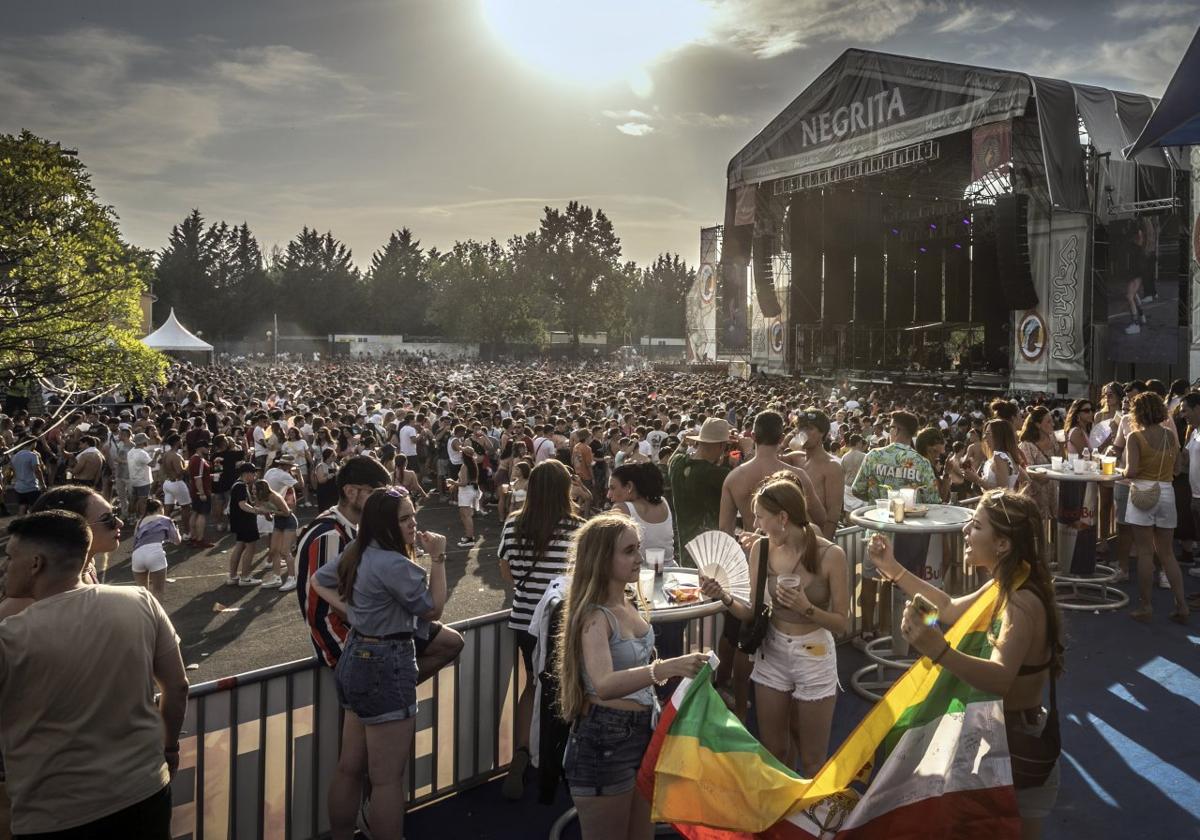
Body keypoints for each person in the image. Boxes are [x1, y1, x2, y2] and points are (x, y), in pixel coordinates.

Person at [872, 490, 1063, 838]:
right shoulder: (1008, 583)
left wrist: (939, 651)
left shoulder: (1020, 600)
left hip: (1019, 747)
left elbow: (1002, 678)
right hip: (998, 738)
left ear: (1003, 544)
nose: (965, 532)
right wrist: (893, 570)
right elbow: (948, 609)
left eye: (976, 526)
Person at [0, 510, 188, 838]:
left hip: (55, 812)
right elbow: (177, 685)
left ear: (35, 563)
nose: (4, 567)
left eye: (10, 556)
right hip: (145, 789)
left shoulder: (10, 637)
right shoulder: (139, 600)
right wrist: (170, 748)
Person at [555, 514, 707, 839]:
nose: (639, 557)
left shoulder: (627, 599)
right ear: (601, 559)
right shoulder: (594, 616)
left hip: (642, 733)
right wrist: (666, 668)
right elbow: (604, 683)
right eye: (628, 551)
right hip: (603, 742)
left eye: (638, 548)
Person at [310, 486, 448, 840]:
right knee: (387, 780)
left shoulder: (358, 550)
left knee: (349, 767)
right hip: (388, 661)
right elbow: (433, 608)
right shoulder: (395, 563)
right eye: (404, 518)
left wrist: (357, 614)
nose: (413, 524)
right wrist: (438, 559)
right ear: (386, 523)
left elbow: (319, 581)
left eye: (413, 515)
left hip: (356, 655)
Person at [700, 473, 849, 775]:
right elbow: (751, 612)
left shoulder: (831, 555)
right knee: (773, 751)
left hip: (814, 653)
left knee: (812, 759)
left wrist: (806, 608)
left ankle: (810, 819)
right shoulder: (762, 549)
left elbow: (842, 624)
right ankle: (782, 817)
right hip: (772, 651)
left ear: (782, 517)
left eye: (759, 517)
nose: (755, 525)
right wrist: (724, 597)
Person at [296, 454, 464, 677]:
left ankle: (393, 685)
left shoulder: (353, 527)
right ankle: (394, 684)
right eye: (376, 492)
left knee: (450, 642)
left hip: (365, 628)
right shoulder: (330, 535)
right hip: (344, 638)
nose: (383, 499)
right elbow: (330, 599)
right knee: (438, 649)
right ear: (350, 491)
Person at [719, 410, 828, 717]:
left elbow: (724, 531)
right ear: (782, 439)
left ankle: (741, 706)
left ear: (752, 436)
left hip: (746, 562)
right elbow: (817, 518)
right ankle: (791, 700)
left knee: (746, 635)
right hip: (787, 563)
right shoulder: (796, 476)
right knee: (782, 629)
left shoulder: (735, 477)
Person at [498, 459, 584, 800]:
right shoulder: (576, 527)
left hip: (524, 618)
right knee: (567, 688)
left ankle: (522, 752)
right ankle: (557, 755)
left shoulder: (513, 524)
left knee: (533, 685)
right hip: (562, 622)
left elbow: (507, 573)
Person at [850, 410, 940, 643]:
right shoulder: (922, 462)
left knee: (869, 581)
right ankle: (888, 631)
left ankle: (867, 631)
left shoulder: (874, 456)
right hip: (909, 535)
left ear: (896, 430)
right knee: (897, 582)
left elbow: (858, 489)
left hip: (877, 529)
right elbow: (933, 500)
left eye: (890, 427)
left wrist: (876, 492)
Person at [1124, 392, 1188, 623]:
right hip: (1166, 492)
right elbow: (1178, 468)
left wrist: (1123, 473)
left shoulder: (1135, 437)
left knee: (1144, 553)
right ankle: (1181, 604)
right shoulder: (1170, 435)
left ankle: (1146, 606)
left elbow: (1131, 471)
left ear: (1137, 413)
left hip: (1143, 492)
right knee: (1167, 553)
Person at [29, 484, 123, 587]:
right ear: (69, 529)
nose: (120, 523)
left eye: (115, 514)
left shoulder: (88, 567)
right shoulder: (49, 590)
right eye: (106, 519)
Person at [667, 418, 733, 557]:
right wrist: (749, 452)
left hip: (685, 550)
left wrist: (683, 443)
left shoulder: (677, 464)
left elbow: (671, 460)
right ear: (721, 446)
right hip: (711, 553)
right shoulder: (717, 474)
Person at [783, 409, 843, 537]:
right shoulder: (795, 458)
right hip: (789, 536)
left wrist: (823, 546)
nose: (803, 433)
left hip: (814, 536)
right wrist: (785, 442)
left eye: (809, 429)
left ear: (822, 433)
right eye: (800, 428)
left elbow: (833, 514)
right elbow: (767, 459)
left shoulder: (832, 466)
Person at [131, 498, 181, 602]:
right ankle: (156, 617)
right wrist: (177, 529)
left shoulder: (139, 522)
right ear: (159, 508)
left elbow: (134, 542)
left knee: (142, 593)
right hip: (155, 554)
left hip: (137, 555)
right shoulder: (166, 520)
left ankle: (144, 616)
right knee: (158, 591)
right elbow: (177, 541)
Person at [253, 479, 298, 590]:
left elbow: (287, 512)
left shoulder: (274, 497)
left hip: (289, 522)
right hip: (278, 523)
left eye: (254, 489)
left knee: (285, 551)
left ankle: (292, 578)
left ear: (261, 490)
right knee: (273, 550)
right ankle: (276, 578)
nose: (252, 491)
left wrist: (270, 511)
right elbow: (269, 518)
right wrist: (265, 513)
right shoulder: (260, 498)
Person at [226, 462, 265, 587]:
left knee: (240, 546)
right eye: (253, 473)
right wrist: (257, 510)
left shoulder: (237, 484)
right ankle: (245, 577)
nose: (255, 476)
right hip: (245, 521)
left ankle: (233, 576)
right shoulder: (241, 486)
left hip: (238, 521)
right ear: (247, 474)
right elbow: (242, 504)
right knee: (251, 548)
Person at [187, 440, 215, 548]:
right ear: (199, 448)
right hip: (201, 491)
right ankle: (200, 539)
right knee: (202, 514)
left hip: (195, 490)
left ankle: (193, 537)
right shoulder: (199, 460)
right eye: (206, 446)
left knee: (195, 512)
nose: (208, 448)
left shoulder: (194, 458)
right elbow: (198, 478)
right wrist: (202, 493)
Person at [9, 440, 44, 516]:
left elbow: (13, 471)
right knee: (35, 508)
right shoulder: (33, 455)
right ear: (32, 444)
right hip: (32, 487)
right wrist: (43, 484)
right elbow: (38, 470)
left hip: (19, 487)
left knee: (22, 507)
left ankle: (20, 524)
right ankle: (33, 525)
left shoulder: (15, 456)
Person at [127, 432, 155, 520]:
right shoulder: (142, 453)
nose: (147, 442)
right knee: (143, 500)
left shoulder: (131, 451)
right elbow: (152, 464)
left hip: (134, 479)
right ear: (142, 442)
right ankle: (142, 518)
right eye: (146, 440)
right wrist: (156, 454)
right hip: (143, 480)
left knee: (133, 499)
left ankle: (131, 517)